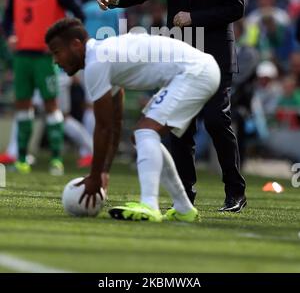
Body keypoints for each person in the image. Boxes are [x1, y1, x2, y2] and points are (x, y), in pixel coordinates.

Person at [90, 0, 247, 212]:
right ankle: (186, 195)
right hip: (179, 57)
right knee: (180, 129)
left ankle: (235, 191)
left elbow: (236, 8)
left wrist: (195, 18)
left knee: (216, 121)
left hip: (214, 55)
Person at [45, 17, 221, 222]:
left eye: (57, 52)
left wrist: (94, 176)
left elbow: (103, 127)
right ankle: (184, 209)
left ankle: (149, 205)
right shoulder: (103, 56)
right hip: (196, 70)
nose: (56, 61)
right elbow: (115, 122)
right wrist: (104, 172)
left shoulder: (96, 63)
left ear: (76, 45)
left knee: (146, 132)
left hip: (195, 72)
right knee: (143, 136)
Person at [1, 0, 84, 174]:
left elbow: (78, 14)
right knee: (22, 106)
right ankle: (22, 157)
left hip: (45, 57)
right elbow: (7, 18)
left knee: (51, 105)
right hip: (22, 55)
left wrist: (62, 43)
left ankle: (56, 158)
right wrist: (10, 35)